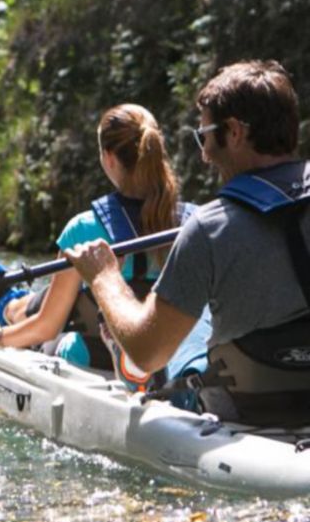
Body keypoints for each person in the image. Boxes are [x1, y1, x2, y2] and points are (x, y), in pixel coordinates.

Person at [66, 60, 310, 425]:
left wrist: (104, 277)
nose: (204, 153)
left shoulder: (207, 228)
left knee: (191, 323)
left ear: (234, 132)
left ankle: (126, 365)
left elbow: (148, 351)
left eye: (205, 135)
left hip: (244, 407)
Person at [0, 104, 208, 390]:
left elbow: (48, 326)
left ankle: (7, 302)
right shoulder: (197, 223)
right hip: (172, 354)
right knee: (45, 301)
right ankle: (11, 302)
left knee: (57, 323)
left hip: (91, 355)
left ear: (108, 159)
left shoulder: (84, 229)